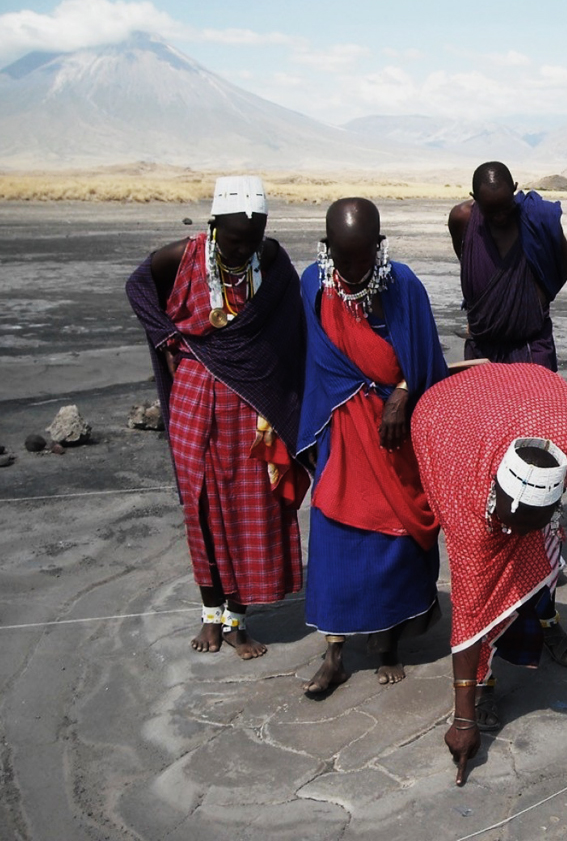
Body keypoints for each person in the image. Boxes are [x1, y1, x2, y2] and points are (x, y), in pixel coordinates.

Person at [126, 176, 307, 658]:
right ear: (212, 227)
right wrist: (166, 338)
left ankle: (237, 619)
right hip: (194, 396)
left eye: (252, 238)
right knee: (202, 505)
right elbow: (137, 286)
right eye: (232, 239)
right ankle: (210, 611)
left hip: (250, 403)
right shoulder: (181, 256)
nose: (242, 248)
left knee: (251, 505)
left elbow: (292, 330)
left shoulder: (270, 261)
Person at [410, 362, 567, 787]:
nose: (514, 532)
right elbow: (467, 618)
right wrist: (463, 720)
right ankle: (488, 680)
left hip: (529, 394)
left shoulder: (565, 435)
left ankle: (546, 619)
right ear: (495, 494)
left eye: (530, 521)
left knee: (539, 558)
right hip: (446, 414)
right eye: (509, 522)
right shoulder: (467, 506)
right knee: (483, 601)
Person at [296, 198, 448, 695]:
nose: (356, 271)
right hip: (343, 434)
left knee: (395, 541)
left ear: (380, 247)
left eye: (365, 259)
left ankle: (387, 644)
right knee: (337, 538)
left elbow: (426, 358)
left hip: (392, 435)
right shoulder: (313, 286)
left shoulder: (403, 285)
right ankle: (334, 654)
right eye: (344, 259)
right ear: (327, 249)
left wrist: (404, 391)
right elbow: (313, 364)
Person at [447, 161, 567, 370]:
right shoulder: (462, 219)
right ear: (474, 198)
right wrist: (490, 305)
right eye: (491, 211)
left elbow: (564, 267)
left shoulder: (537, 218)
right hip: (481, 346)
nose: (500, 216)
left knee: (538, 401)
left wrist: (530, 304)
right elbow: (469, 265)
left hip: (532, 344)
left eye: (506, 207)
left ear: (515, 188)